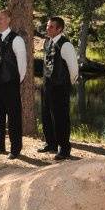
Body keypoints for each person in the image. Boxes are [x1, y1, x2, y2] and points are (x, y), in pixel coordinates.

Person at [0, 9, 27, 160]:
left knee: (14, 118)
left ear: (9, 19)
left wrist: (15, 81)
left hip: (10, 85)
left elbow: (22, 66)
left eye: (2, 18)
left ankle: (15, 148)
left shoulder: (17, 40)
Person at [38, 16, 79, 160]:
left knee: (61, 118)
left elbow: (73, 68)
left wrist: (69, 84)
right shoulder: (48, 42)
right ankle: (51, 144)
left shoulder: (65, 45)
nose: (47, 28)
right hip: (47, 86)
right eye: (47, 26)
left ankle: (64, 148)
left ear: (59, 29)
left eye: (51, 27)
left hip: (60, 87)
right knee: (46, 115)